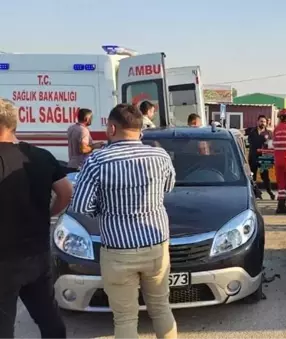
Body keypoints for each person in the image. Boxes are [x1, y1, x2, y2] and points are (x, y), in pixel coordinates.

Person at [69, 103, 177, 339]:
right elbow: (168, 187)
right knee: (160, 308)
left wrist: (106, 209)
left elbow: (81, 206)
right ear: (140, 129)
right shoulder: (160, 155)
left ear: (111, 128)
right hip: (156, 245)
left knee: (125, 318)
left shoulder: (97, 161)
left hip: (118, 251)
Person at [0, 98, 73, 339]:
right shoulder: (41, 156)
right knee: (49, 319)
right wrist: (49, 212)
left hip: (4, 259)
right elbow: (65, 192)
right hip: (37, 254)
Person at [245, 115, 275, 200]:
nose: (262, 123)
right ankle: (255, 193)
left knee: (265, 176)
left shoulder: (269, 133)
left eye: (264, 122)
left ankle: (270, 192)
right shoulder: (251, 130)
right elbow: (240, 133)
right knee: (252, 176)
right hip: (253, 157)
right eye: (261, 121)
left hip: (264, 158)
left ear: (266, 123)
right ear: (257, 122)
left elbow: (272, 145)